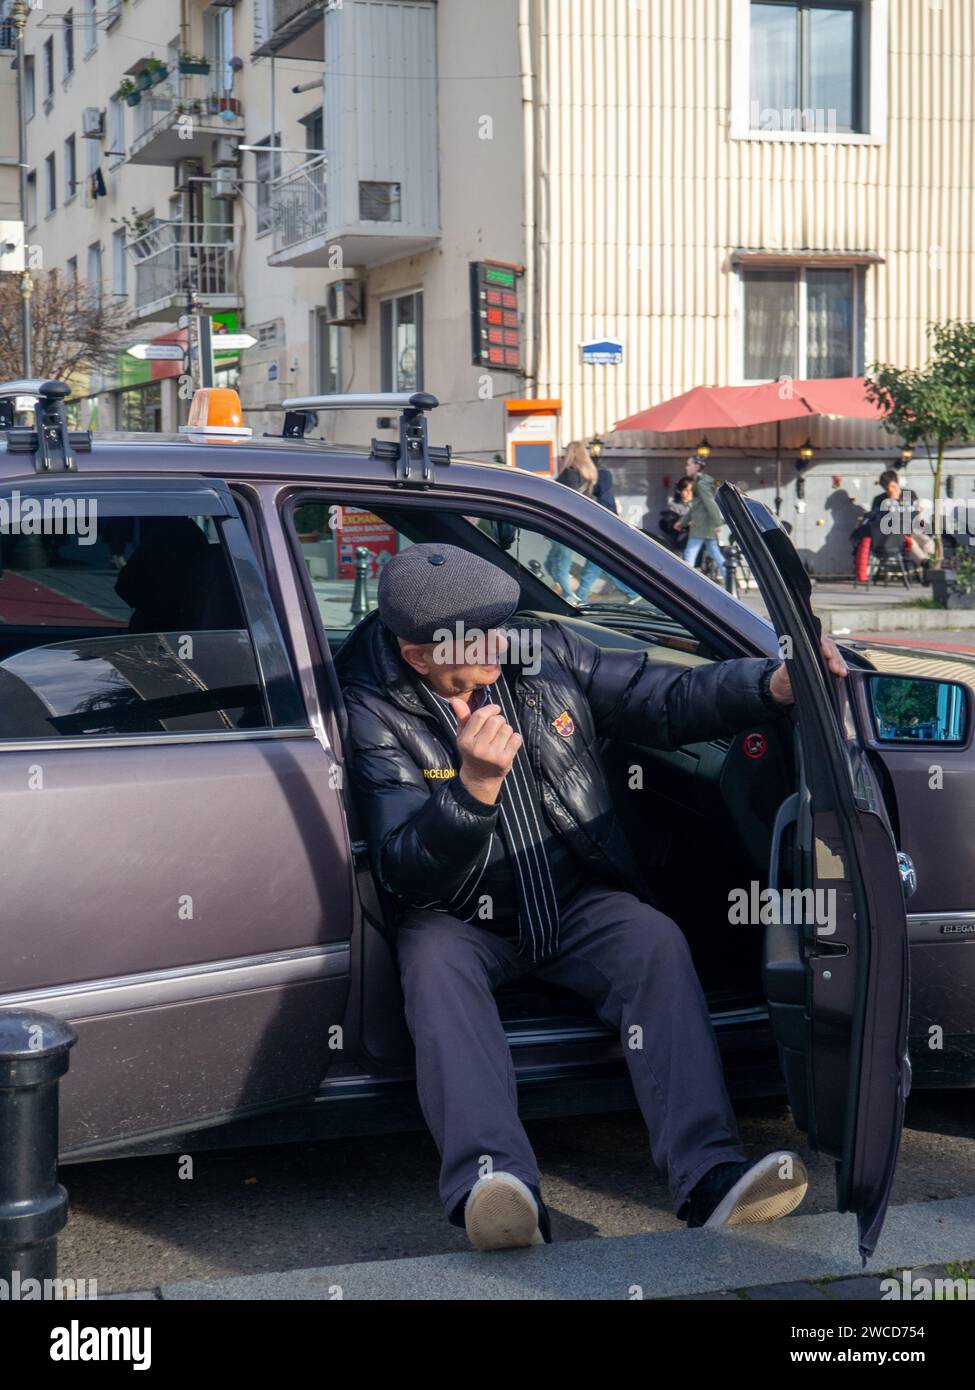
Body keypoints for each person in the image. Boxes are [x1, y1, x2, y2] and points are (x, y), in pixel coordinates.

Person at [338, 542, 849, 1252]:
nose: (497, 642)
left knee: (652, 941)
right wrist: (471, 790)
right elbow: (407, 870)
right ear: (418, 654)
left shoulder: (539, 651)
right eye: (475, 634)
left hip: (570, 892)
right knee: (433, 973)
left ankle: (708, 1175)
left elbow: (661, 698)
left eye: (499, 623)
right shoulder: (370, 709)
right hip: (457, 916)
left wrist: (773, 685)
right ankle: (494, 1185)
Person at [574, 463, 641, 603]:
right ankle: (631, 593)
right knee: (604, 569)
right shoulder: (607, 497)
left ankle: (580, 599)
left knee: (591, 571)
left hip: (601, 541)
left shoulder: (602, 500)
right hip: (605, 540)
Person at [543, 441, 598, 602]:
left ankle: (572, 598)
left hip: (564, 525)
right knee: (551, 562)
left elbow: (566, 502)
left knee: (560, 564)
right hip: (578, 523)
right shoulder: (588, 475)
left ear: (571, 454)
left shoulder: (570, 473)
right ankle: (568, 593)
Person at [682, 456, 726, 578]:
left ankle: (686, 582)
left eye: (688, 464)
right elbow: (697, 506)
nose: (686, 467)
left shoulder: (701, 484)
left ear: (696, 466)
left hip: (701, 526)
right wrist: (682, 521)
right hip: (706, 526)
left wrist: (718, 522)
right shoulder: (700, 481)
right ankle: (729, 579)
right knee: (715, 553)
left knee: (690, 554)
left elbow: (710, 503)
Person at [658, 476, 694, 553]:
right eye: (686, 490)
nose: (689, 493)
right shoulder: (673, 506)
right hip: (680, 541)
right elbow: (671, 525)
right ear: (680, 491)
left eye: (691, 490)